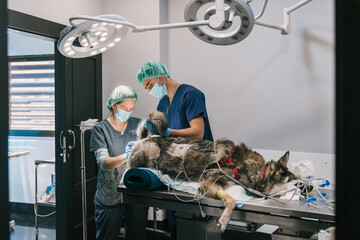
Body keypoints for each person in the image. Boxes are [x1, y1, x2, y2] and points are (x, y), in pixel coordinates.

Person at [136, 60, 214, 239]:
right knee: (175, 220)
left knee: (196, 222)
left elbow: (198, 133)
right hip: (176, 170)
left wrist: (168, 132)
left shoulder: (191, 94)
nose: (149, 90)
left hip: (198, 168)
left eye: (149, 84)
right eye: (146, 88)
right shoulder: (162, 104)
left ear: (161, 75)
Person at [90, 85, 148, 240]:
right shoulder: (100, 129)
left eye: (131, 109)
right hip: (110, 193)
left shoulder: (138, 125)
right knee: (106, 236)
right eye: (124, 108)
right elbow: (104, 163)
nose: (128, 112)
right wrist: (127, 155)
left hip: (135, 188)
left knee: (137, 235)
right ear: (113, 105)